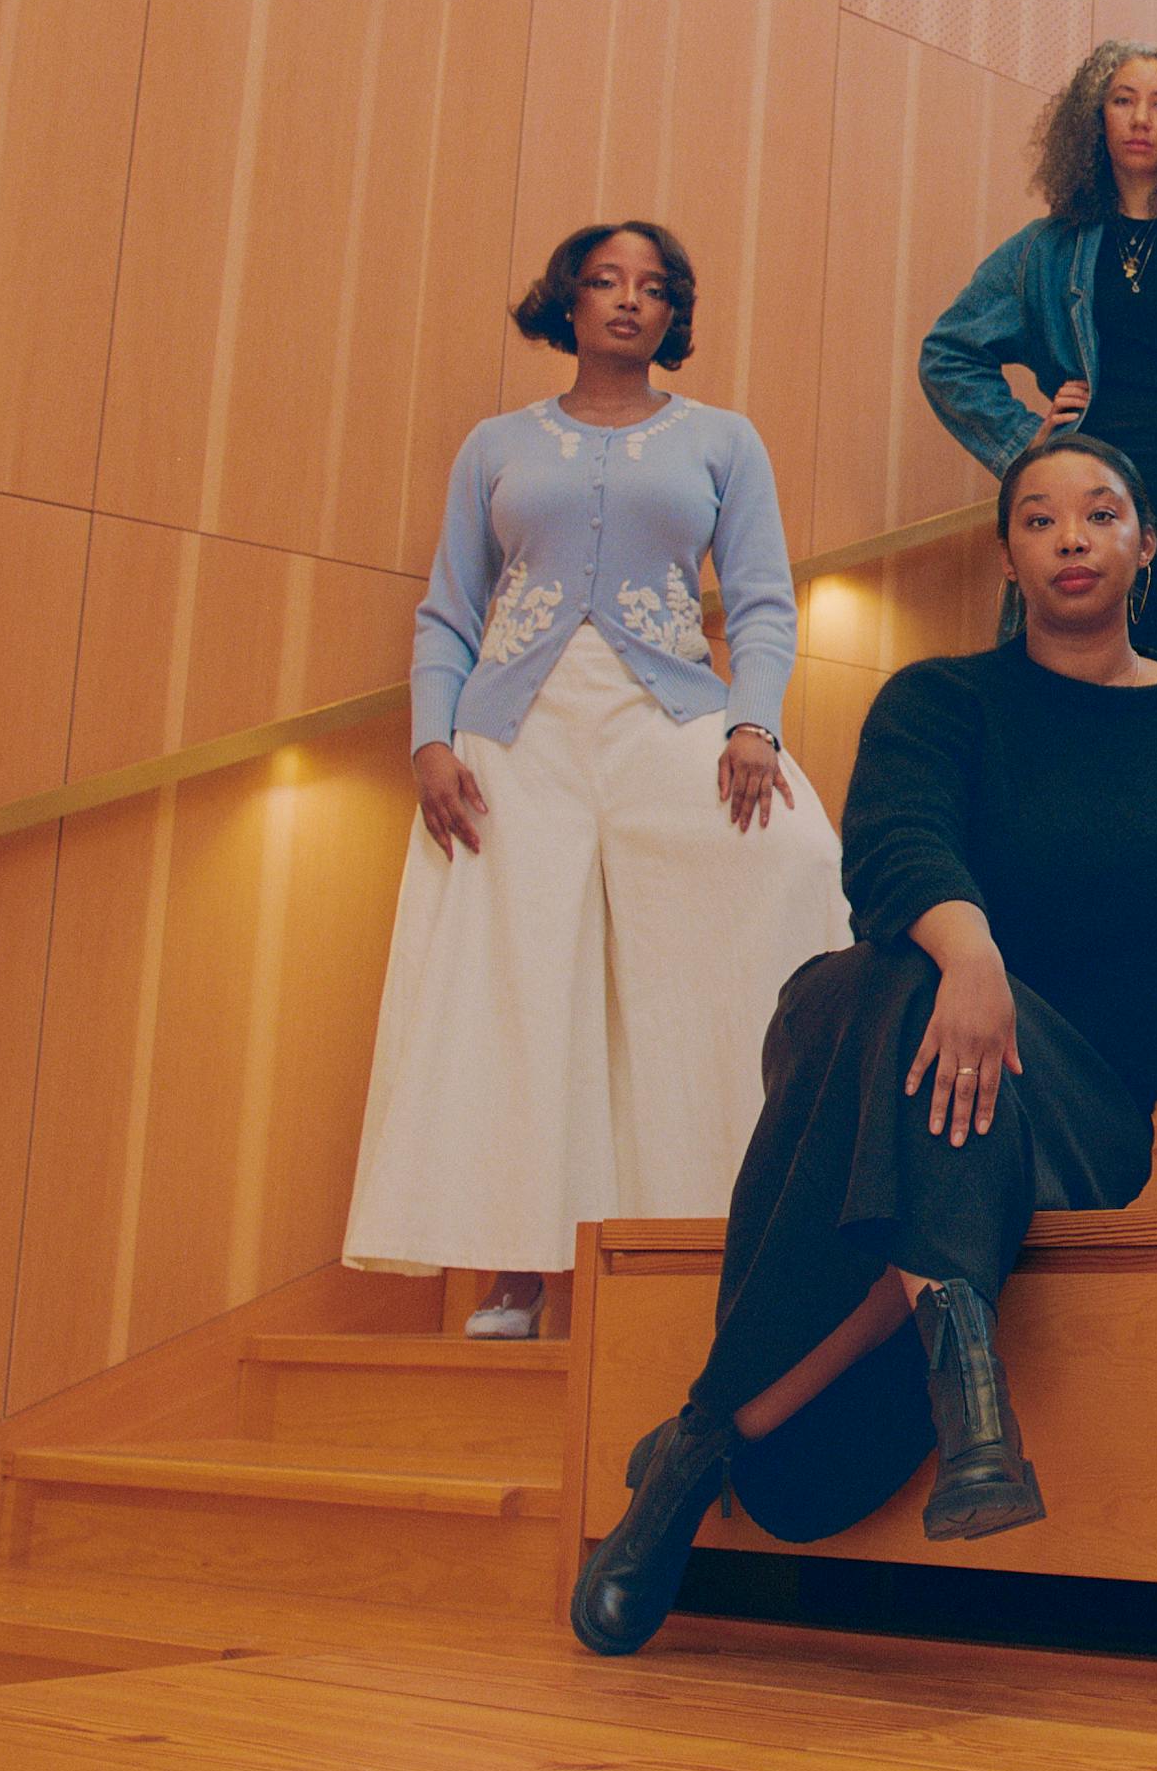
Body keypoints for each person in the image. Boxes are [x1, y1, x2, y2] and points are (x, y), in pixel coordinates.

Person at [570, 433, 1157, 1658]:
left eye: (1100, 512)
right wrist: (971, 961)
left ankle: (704, 1437)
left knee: (870, 996)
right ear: (1006, 556)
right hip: (916, 1041)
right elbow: (894, 849)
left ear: (1145, 542)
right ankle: (958, 1364)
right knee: (881, 981)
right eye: (1039, 518)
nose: (1070, 535)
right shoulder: (937, 700)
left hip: (1089, 1107)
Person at [347, 223, 850, 1337]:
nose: (629, 300)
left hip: (667, 710)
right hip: (513, 740)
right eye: (606, 282)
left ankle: (715, 1226)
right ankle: (515, 1265)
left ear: (675, 315)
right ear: (566, 302)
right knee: (520, 975)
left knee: (797, 858)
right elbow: (448, 610)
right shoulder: (494, 445)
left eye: (655, 287)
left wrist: (753, 722)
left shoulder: (722, 439)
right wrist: (431, 740)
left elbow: (762, 600)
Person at [920, 41, 1157, 699]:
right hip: (1091, 510)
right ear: (1094, 119)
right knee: (1074, 702)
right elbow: (948, 355)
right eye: (1122, 101)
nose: (1140, 119)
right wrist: (1026, 442)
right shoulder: (1048, 248)